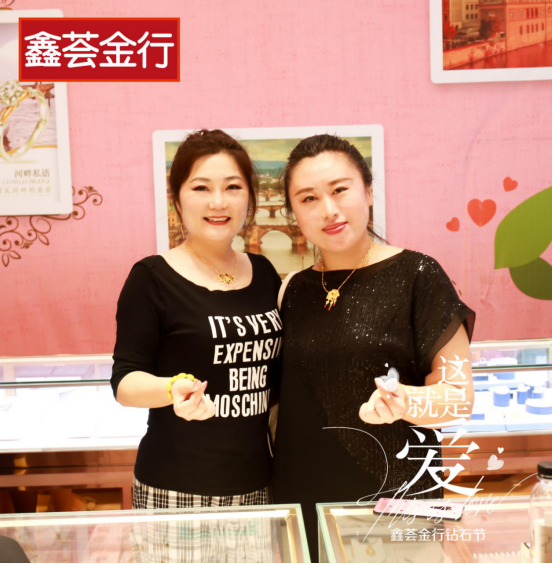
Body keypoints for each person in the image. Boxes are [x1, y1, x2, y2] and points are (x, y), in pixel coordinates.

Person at [272, 134, 476, 557]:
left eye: (340, 190)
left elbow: (458, 397)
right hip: (303, 499)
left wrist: (405, 402)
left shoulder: (418, 275)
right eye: (308, 199)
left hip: (396, 504)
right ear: (293, 213)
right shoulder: (291, 290)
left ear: (367, 191)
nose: (328, 209)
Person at [111, 129, 283, 510]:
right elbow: (124, 381)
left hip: (258, 483)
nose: (218, 201)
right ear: (177, 199)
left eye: (233, 187)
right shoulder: (152, 278)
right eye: (201, 187)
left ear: (250, 197)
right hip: (177, 488)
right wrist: (172, 388)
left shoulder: (265, 273)